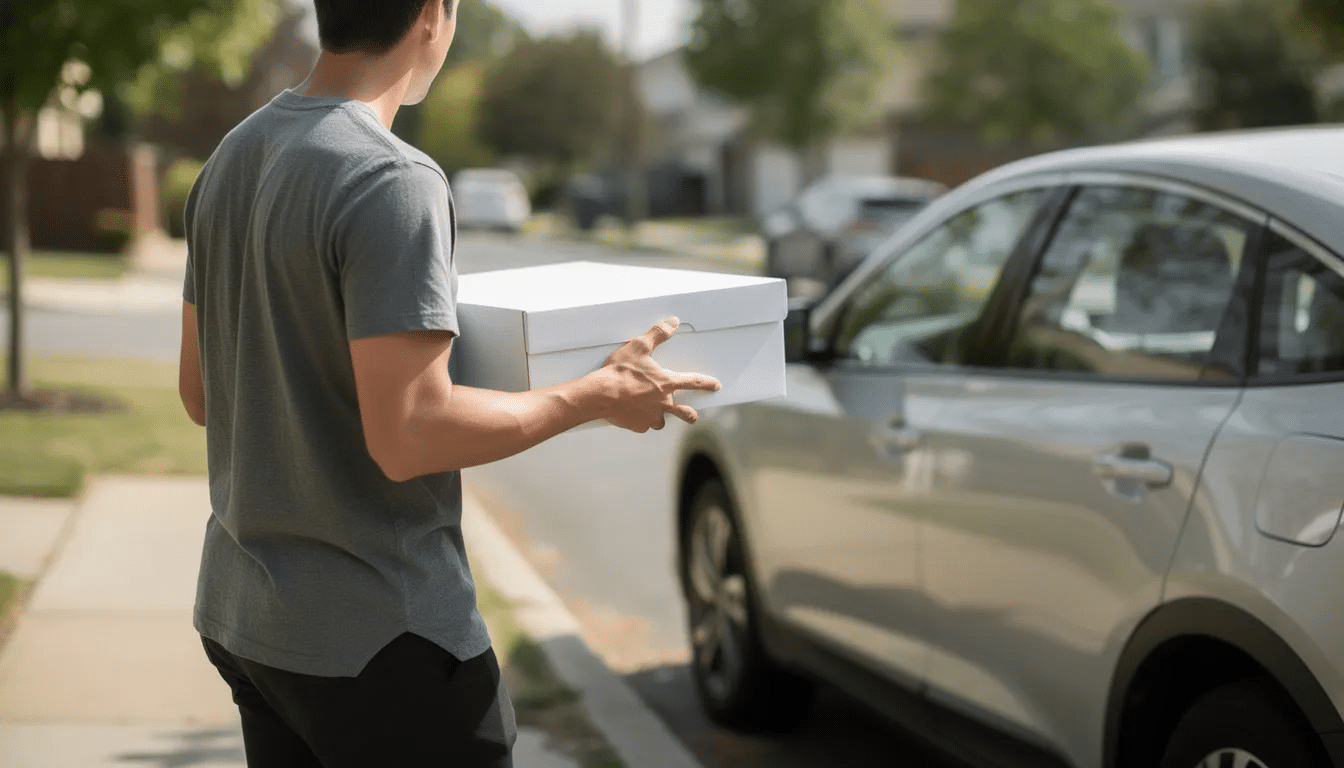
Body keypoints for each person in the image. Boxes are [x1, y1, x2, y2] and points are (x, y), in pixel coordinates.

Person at [175, 0, 721, 765]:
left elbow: (200, 395)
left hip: (253, 625)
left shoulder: (233, 155)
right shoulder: (390, 176)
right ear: (434, 14)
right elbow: (409, 436)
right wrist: (590, 396)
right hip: (382, 640)